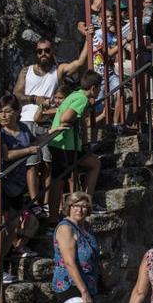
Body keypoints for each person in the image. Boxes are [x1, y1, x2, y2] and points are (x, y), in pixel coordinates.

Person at [14, 37, 90, 218]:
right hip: (26, 119)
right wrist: (35, 99)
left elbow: (79, 63)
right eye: (39, 51)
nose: (43, 54)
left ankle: (47, 204)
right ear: (35, 53)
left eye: (46, 50)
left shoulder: (58, 70)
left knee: (48, 164)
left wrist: (88, 37)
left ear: (52, 51)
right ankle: (34, 203)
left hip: (48, 122)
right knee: (31, 164)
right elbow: (17, 94)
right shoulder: (26, 71)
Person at [0, 94, 43, 282]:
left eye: (8, 111)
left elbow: (37, 141)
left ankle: (0, 264)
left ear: (17, 112)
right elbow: (6, 155)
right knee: (0, 226)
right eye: (1, 111)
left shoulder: (24, 128)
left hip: (17, 185)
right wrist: (28, 151)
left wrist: (55, 130)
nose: (3, 115)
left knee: (12, 226)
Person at [48, 70, 107, 222]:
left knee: (58, 181)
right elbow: (65, 118)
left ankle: (54, 218)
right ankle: (87, 202)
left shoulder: (75, 95)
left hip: (61, 144)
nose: (100, 90)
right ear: (93, 88)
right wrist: (73, 120)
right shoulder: (82, 99)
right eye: (99, 87)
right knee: (94, 164)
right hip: (66, 146)